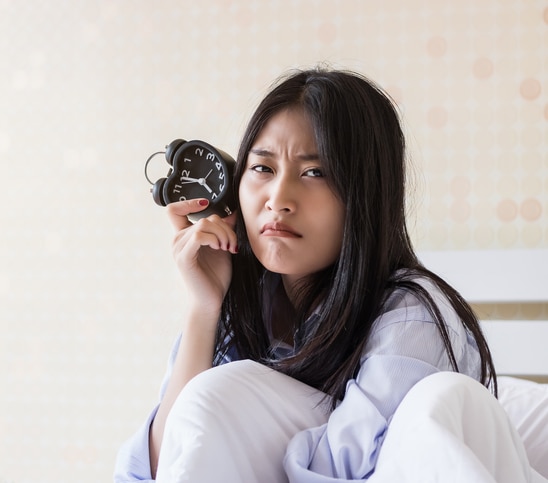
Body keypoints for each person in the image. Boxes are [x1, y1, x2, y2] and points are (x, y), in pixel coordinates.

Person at [114, 67, 541, 482]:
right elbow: (157, 468)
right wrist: (203, 309)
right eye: (262, 168)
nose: (278, 199)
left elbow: (343, 469)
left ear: (365, 194)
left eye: (315, 172)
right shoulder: (239, 310)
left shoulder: (413, 317)